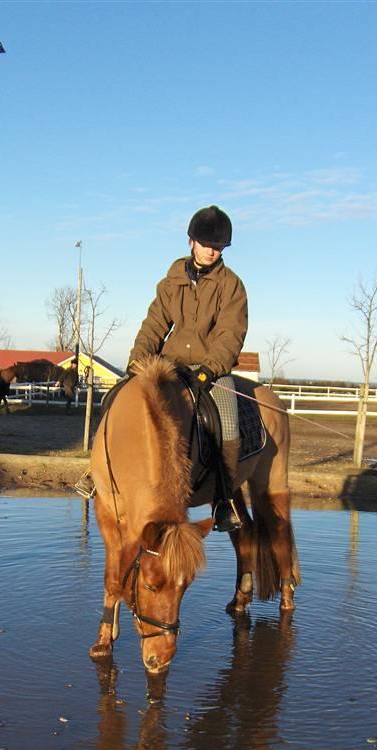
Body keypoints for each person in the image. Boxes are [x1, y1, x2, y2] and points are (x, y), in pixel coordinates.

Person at [127, 205, 248, 532]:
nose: (212, 250)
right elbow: (154, 325)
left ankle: (223, 500)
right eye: (207, 243)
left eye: (219, 246)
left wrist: (210, 370)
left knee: (228, 422)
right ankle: (100, 474)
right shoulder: (171, 282)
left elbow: (230, 334)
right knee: (125, 402)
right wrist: (138, 360)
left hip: (211, 371)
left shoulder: (232, 286)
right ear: (191, 241)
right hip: (171, 364)